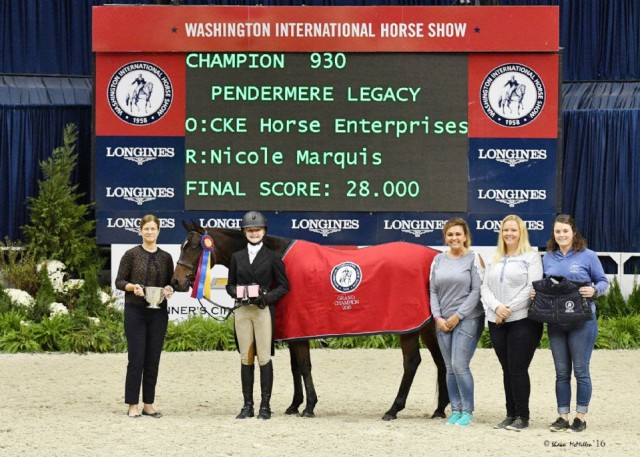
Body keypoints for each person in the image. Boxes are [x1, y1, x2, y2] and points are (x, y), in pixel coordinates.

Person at [540, 214, 608, 433]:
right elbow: (545, 283)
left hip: (582, 321)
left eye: (565, 231)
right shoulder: (548, 257)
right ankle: (562, 417)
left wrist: (595, 290)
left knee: (580, 370)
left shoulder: (588, 256)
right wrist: (537, 292)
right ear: (554, 234)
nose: (561, 235)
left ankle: (580, 417)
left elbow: (603, 281)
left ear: (573, 232)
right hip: (556, 322)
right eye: (557, 232)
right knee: (561, 372)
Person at [481, 214, 543, 431]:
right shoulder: (493, 257)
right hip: (496, 320)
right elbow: (484, 287)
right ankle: (510, 414)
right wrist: (497, 308)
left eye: (513, 230)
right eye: (506, 230)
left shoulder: (531, 257)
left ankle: (523, 417)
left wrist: (507, 309)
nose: (509, 233)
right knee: (506, 369)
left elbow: (531, 288)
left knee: (518, 368)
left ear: (521, 232)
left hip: (523, 320)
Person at [225, 211, 289, 420]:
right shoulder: (236, 257)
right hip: (243, 311)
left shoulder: (273, 257)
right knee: (245, 357)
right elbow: (230, 284)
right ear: (244, 232)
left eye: (257, 230)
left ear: (264, 231)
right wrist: (235, 292)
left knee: (263, 356)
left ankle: (265, 406)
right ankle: (247, 405)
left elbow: (283, 286)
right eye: (250, 230)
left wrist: (266, 298)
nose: (254, 233)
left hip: (261, 310)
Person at [115, 214, 174, 418]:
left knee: (153, 359)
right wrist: (133, 287)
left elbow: (171, 282)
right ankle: (132, 404)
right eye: (146, 228)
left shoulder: (166, 257)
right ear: (140, 231)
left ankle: (148, 404)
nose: (149, 232)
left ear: (159, 231)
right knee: (136, 358)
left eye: (153, 229)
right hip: (135, 311)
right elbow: (119, 281)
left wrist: (169, 289)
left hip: (158, 314)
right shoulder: (131, 254)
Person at [429, 218, 485, 427]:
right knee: (449, 368)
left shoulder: (473, 258)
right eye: (450, 234)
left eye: (458, 234)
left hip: (468, 318)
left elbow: (476, 291)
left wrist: (457, 316)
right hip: (442, 321)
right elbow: (433, 290)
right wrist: (438, 318)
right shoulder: (438, 260)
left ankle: (467, 411)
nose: (454, 238)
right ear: (445, 238)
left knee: (460, 365)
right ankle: (455, 409)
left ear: (465, 237)